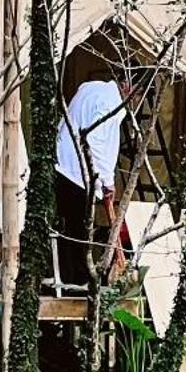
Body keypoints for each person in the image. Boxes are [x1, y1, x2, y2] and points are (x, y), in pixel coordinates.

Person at [53, 72, 134, 289]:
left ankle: (72, 279)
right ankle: (77, 282)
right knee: (78, 231)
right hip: (78, 171)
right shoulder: (111, 103)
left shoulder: (90, 86)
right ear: (125, 84)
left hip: (62, 161)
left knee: (69, 228)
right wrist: (107, 181)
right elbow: (96, 141)